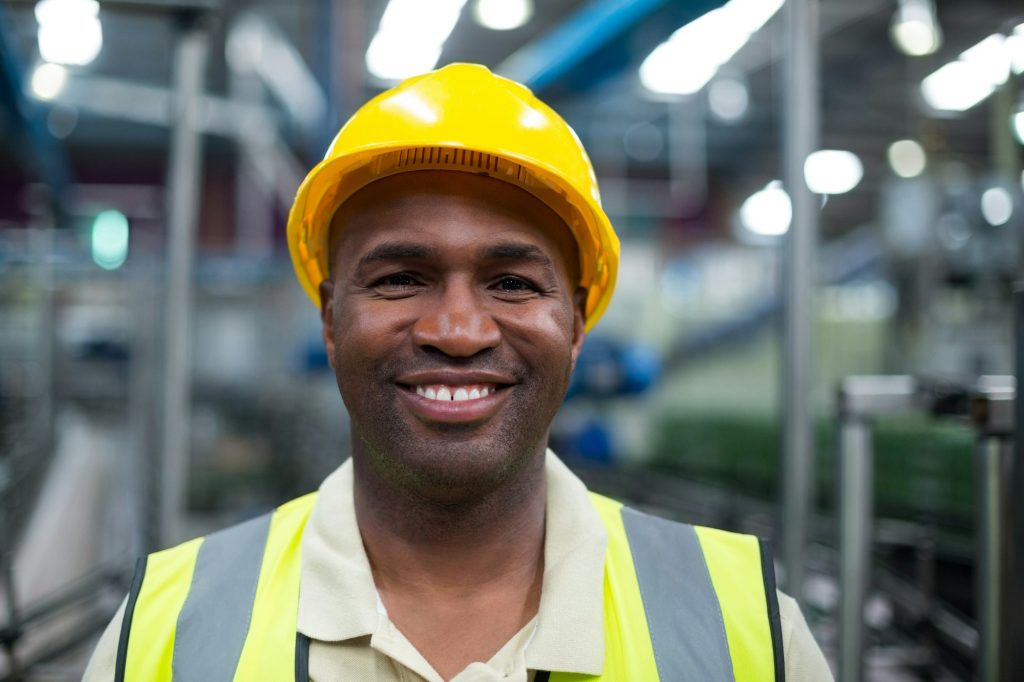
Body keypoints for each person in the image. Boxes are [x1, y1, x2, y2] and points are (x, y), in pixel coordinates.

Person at [84, 63, 832, 682]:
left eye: (511, 283)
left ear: (576, 323)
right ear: (329, 320)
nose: (458, 331)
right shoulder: (164, 633)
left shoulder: (751, 635)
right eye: (401, 278)